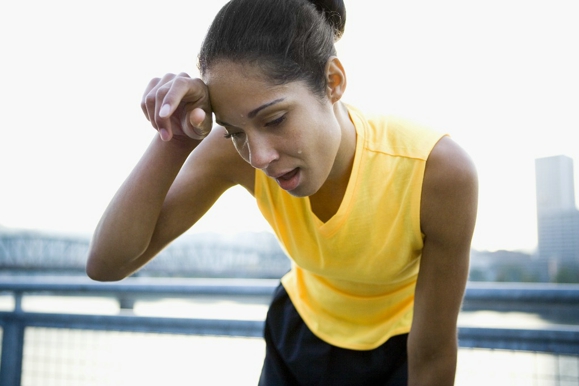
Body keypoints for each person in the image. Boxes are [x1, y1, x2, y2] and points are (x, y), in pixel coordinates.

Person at [86, 0, 478, 384]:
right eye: (235, 131)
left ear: (333, 81)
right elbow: (107, 265)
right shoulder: (231, 154)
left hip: (400, 350)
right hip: (297, 338)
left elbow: (433, 354)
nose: (258, 157)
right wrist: (174, 139)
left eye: (274, 119)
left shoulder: (437, 174)